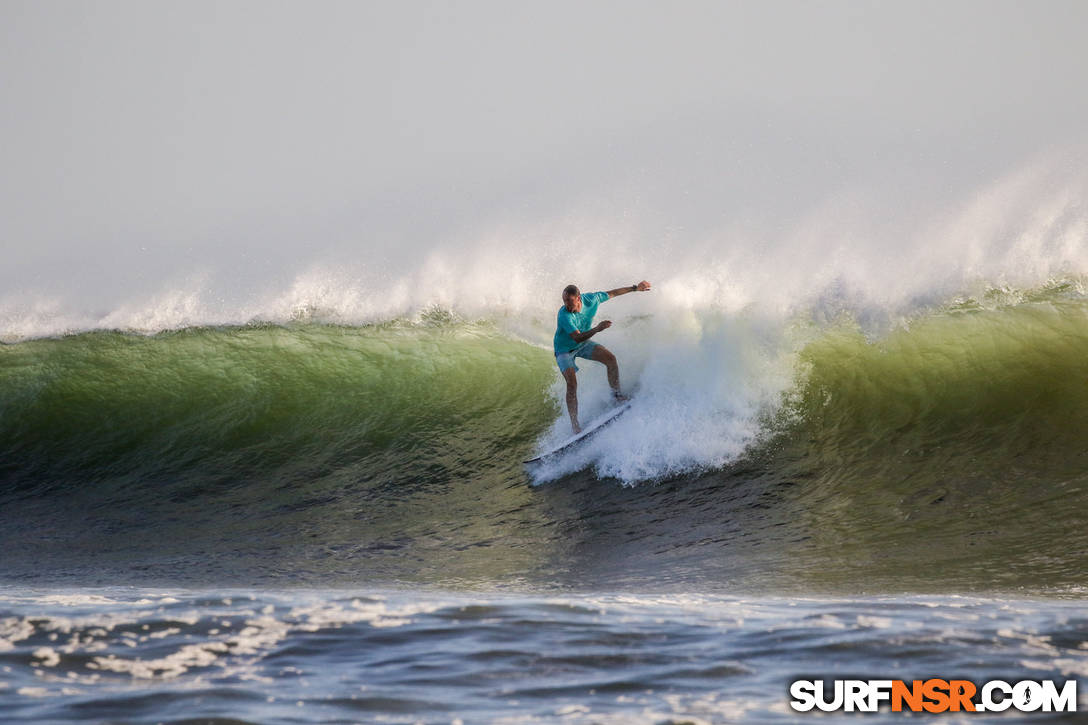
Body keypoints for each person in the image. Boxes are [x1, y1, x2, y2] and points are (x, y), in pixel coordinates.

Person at [554, 280, 651, 433]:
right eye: (564, 301)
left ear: (579, 298)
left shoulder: (592, 299)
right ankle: (575, 425)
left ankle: (617, 396)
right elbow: (577, 338)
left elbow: (613, 293)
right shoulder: (564, 315)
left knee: (611, 360)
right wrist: (597, 329)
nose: (567, 304)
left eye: (570, 301)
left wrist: (635, 288)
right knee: (572, 384)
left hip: (583, 345)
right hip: (564, 350)